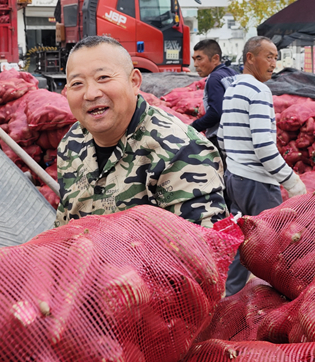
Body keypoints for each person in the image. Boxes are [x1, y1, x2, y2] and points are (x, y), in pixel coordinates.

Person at [56, 35, 229, 229]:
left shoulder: (181, 151)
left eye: (103, 78)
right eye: (77, 83)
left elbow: (204, 250)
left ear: (134, 82)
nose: (91, 93)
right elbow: (64, 223)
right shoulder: (71, 142)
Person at [220, 36, 307, 296]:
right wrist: (292, 182)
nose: (273, 64)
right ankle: (285, 303)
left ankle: (230, 298)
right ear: (250, 58)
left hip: (235, 179)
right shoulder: (259, 91)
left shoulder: (232, 88)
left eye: (276, 58)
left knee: (241, 241)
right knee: (277, 245)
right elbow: (264, 148)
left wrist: (236, 165)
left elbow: (223, 137)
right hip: (258, 183)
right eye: (268, 57)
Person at [191, 39, 238, 158]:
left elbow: (215, 113)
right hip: (236, 138)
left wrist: (193, 127)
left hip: (220, 139)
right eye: (194, 59)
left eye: (199, 58)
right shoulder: (233, 74)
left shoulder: (214, 78)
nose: (195, 64)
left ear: (215, 59)